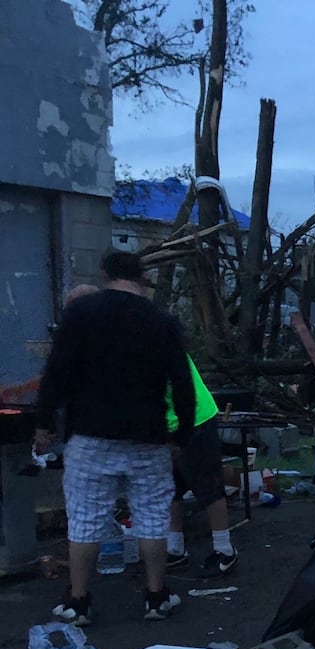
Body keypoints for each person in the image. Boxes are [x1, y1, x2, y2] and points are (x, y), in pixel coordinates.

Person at [34, 250, 196, 623]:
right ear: (141, 278)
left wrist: (44, 423)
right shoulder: (162, 321)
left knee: (85, 519)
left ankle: (78, 602)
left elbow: (55, 373)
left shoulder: (81, 314)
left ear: (106, 274)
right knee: (153, 517)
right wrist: (180, 435)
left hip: (90, 436)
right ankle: (156, 597)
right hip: (148, 438)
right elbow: (182, 384)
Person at [165, 361, 239, 577]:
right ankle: (175, 548)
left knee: (207, 485)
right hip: (167, 424)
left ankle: (225, 549)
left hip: (195, 419)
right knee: (170, 487)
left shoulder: (159, 344)